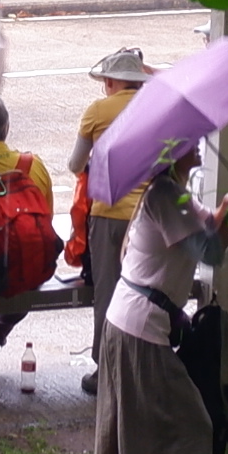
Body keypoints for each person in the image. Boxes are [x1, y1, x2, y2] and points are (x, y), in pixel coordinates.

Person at [96, 138, 228, 454]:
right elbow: (208, 250)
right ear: (170, 152)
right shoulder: (167, 195)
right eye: (188, 143)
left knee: (140, 423)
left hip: (135, 322)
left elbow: (210, 233)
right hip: (140, 328)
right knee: (192, 424)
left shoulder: (173, 194)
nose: (198, 145)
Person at [72, 47, 151, 321]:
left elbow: (75, 164)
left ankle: (104, 349)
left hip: (106, 214)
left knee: (106, 297)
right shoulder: (155, 108)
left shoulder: (98, 111)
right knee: (141, 295)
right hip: (146, 215)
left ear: (110, 82)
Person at [0, 102, 59, 353]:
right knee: (28, 268)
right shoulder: (33, 165)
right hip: (26, 266)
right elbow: (47, 218)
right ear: (6, 128)